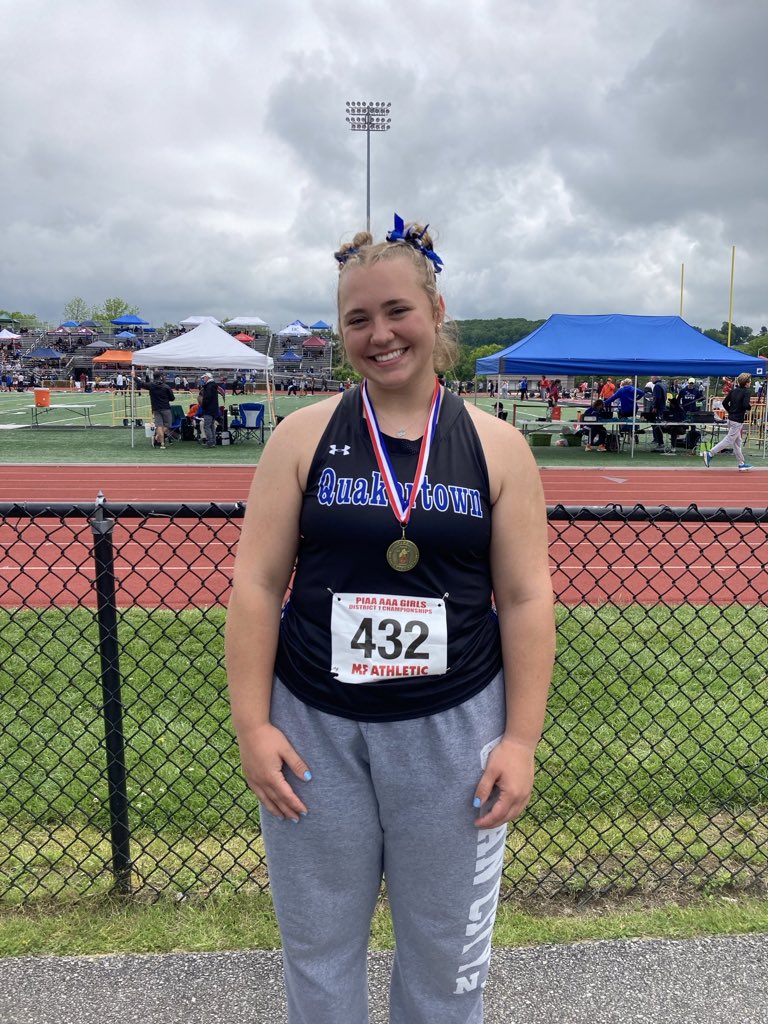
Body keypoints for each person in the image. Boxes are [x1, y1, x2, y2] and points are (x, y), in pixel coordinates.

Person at [226, 214, 555, 1024]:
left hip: (452, 733)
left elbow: (525, 598)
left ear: (437, 313)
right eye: (358, 319)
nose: (380, 335)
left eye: (397, 311)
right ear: (343, 333)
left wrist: (519, 740)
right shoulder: (302, 438)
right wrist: (252, 725)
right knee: (319, 949)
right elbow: (257, 585)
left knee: (447, 956)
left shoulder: (497, 448)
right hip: (315, 730)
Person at [702, 371, 753, 471]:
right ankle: (710, 453)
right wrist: (749, 407)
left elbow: (725, 403)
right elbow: (744, 405)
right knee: (729, 440)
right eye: (749, 381)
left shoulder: (734, 391)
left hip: (730, 419)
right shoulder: (747, 392)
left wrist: (731, 411)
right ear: (746, 383)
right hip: (737, 421)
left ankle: (741, 462)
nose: (750, 382)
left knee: (737, 442)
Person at [147, 371, 175, 449]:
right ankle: (157, 437)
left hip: (156, 408)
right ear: (161, 377)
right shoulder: (166, 387)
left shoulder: (151, 385)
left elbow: (141, 384)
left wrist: (134, 377)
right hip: (165, 408)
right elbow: (172, 398)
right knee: (168, 425)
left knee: (159, 425)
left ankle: (162, 443)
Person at [198, 371, 220, 448]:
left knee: (207, 426)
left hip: (209, 409)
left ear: (207, 377)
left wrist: (203, 405)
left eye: (204, 377)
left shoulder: (209, 386)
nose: (203, 379)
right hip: (213, 409)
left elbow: (207, 398)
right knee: (211, 426)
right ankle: (213, 441)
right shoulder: (213, 386)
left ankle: (210, 442)